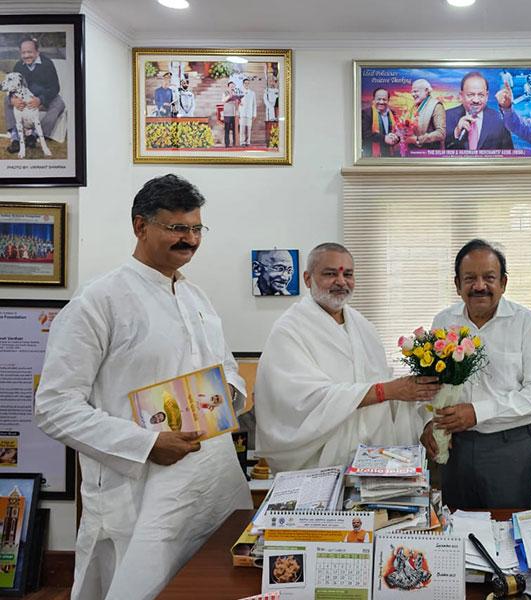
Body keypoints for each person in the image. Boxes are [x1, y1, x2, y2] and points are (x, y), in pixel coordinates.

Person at [33, 175, 251, 600]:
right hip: (140, 490)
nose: (189, 240)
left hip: (211, 484)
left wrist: (229, 394)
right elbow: (54, 406)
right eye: (176, 228)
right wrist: (147, 443)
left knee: (209, 584)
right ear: (140, 226)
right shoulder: (99, 301)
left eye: (196, 229)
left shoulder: (197, 299)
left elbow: (227, 370)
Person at [254, 242, 441, 473]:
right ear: (307, 278)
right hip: (321, 461)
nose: (341, 282)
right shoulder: (289, 330)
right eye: (330, 273)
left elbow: (387, 386)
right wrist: (387, 390)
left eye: (348, 274)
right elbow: (301, 401)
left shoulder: (364, 328)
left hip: (374, 457)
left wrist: (422, 413)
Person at [421, 240, 531, 509]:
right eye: (470, 278)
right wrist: (427, 422)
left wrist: (478, 412)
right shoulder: (443, 322)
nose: (479, 286)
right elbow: (428, 384)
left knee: (507, 533)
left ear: (503, 283)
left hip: (508, 449)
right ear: (457, 284)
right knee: (456, 532)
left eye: (489, 278)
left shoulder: (524, 323)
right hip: (455, 447)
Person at [5, 36, 66, 154]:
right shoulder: (18, 66)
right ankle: (16, 138)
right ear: (20, 53)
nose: (26, 55)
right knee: (6, 100)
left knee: (59, 103)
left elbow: (54, 87)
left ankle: (34, 135)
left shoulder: (47, 64)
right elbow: (12, 86)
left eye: (30, 52)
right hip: (25, 99)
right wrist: (13, 99)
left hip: (43, 98)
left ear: (37, 52)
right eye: (23, 52)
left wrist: (40, 100)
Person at [444, 72, 513, 152]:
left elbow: (509, 154)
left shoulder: (499, 120)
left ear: (487, 96)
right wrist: (456, 133)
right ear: (461, 95)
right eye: (470, 95)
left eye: (481, 95)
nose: (476, 100)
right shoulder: (446, 117)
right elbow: (432, 152)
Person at [405, 79, 445, 151]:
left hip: (430, 154)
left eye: (416, 91)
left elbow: (441, 134)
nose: (413, 94)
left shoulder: (436, 105)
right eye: (412, 92)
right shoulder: (413, 107)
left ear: (426, 91)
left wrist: (418, 140)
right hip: (413, 153)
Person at [361, 88, 399, 157]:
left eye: (384, 99)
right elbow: (365, 134)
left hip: (389, 154)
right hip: (371, 155)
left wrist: (397, 138)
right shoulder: (366, 113)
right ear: (374, 100)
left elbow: (398, 131)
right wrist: (384, 138)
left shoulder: (393, 114)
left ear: (388, 101)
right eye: (379, 99)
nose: (381, 102)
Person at [221, 81, 241, 147]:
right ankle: (227, 143)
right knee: (227, 129)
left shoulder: (236, 93)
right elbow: (223, 101)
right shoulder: (225, 93)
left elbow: (238, 102)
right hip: (227, 114)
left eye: (233, 86)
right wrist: (230, 96)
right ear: (228, 87)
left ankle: (235, 142)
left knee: (235, 129)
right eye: (231, 86)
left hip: (234, 114)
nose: (232, 87)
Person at [238, 77, 257, 147]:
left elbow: (254, 104)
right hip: (242, 113)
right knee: (242, 129)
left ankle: (248, 142)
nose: (246, 84)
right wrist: (238, 113)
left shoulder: (252, 93)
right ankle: (242, 142)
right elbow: (237, 103)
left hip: (249, 113)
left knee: (249, 129)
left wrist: (254, 114)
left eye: (248, 83)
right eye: (245, 83)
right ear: (243, 84)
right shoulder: (239, 93)